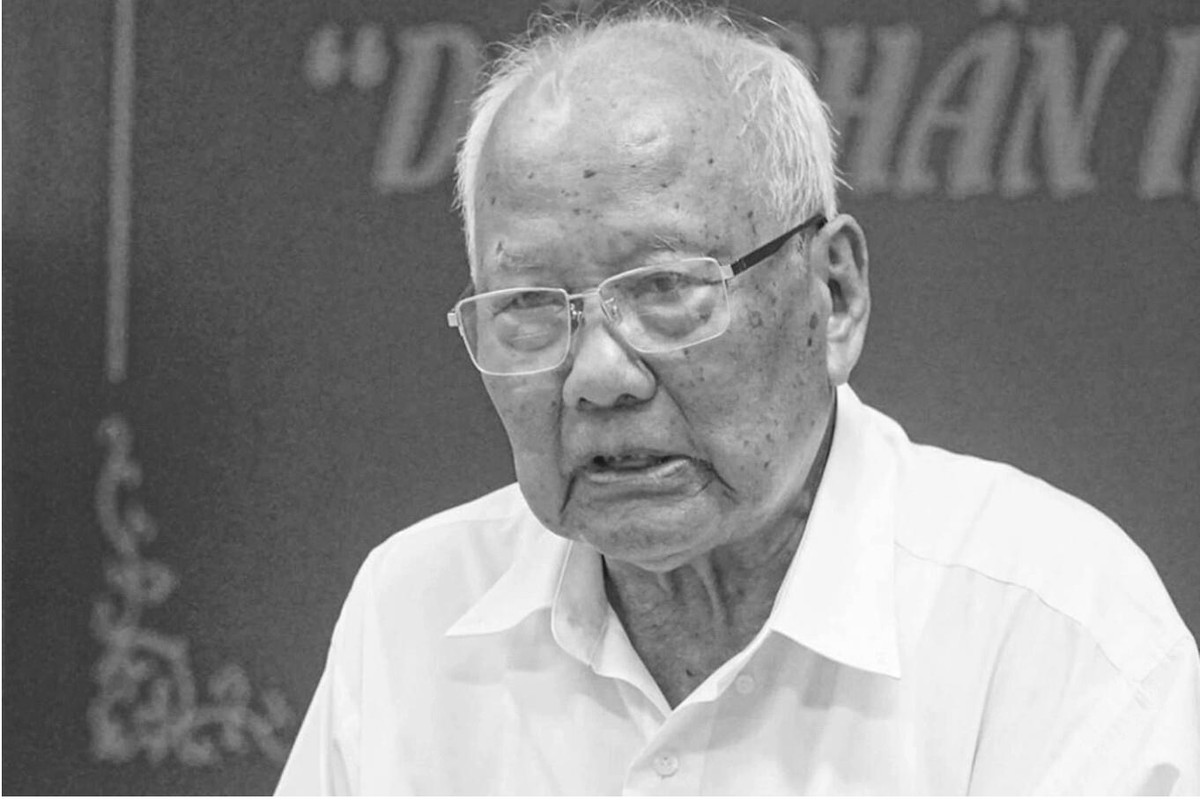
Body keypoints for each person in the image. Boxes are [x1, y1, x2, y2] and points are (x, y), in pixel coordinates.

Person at [276, 6, 1200, 794]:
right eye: (529, 308)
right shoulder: (413, 613)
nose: (599, 376)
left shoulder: (1049, 625)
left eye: (665, 288)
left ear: (834, 294)